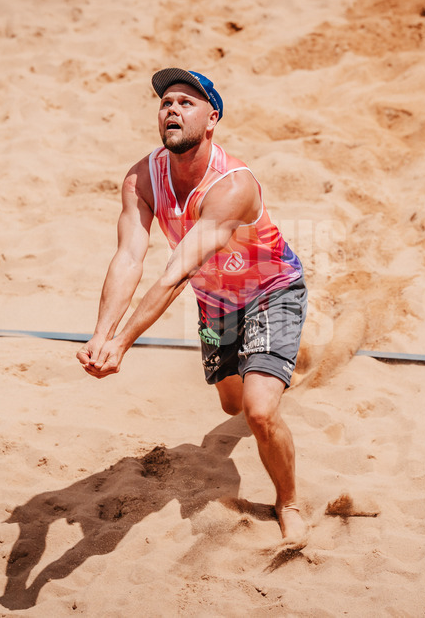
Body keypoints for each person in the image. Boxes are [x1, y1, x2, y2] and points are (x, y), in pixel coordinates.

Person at [76, 68, 309, 542]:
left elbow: (175, 272)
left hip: (271, 291)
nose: (173, 110)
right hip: (216, 300)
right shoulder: (142, 177)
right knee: (232, 405)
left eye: (186, 102)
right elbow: (128, 256)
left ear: (212, 118)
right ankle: (273, 366)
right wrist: (101, 334)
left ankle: (289, 502)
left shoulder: (232, 184)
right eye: (166, 103)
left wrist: (122, 343)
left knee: (261, 412)